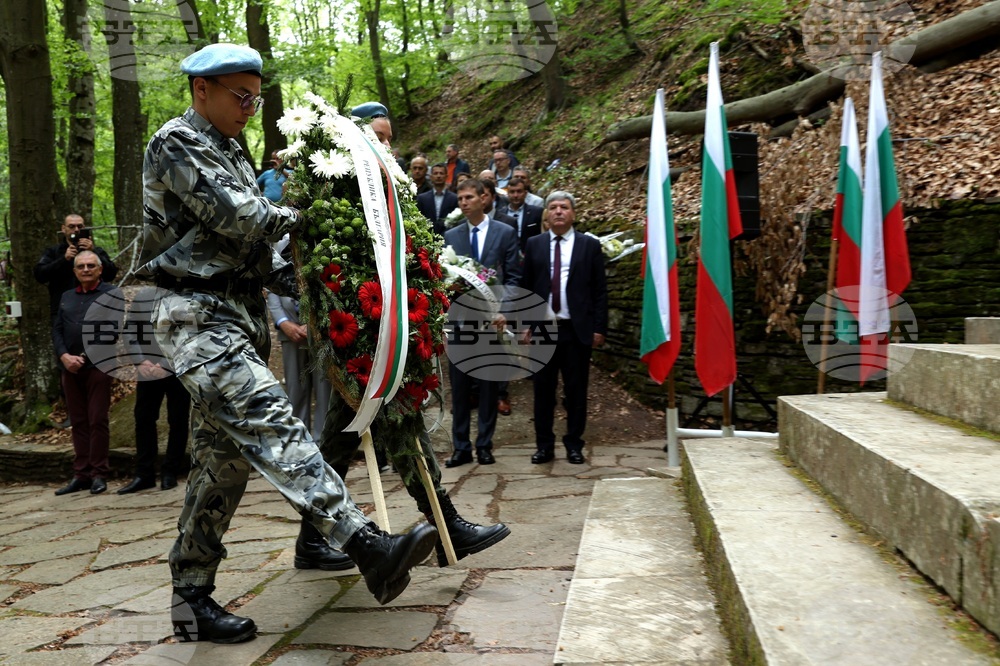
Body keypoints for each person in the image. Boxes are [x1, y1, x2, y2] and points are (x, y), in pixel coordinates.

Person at [137, 43, 437, 644]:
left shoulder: (231, 149)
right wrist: (315, 212)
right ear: (202, 90)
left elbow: (255, 253)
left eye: (256, 98)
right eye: (240, 96)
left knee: (221, 467)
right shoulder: (177, 142)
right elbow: (242, 217)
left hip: (235, 314)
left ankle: (191, 597)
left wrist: (328, 278)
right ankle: (365, 543)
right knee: (271, 417)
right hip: (195, 317)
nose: (251, 108)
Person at [520, 192, 607, 465]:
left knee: (576, 391)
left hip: (576, 329)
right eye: (553, 207)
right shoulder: (534, 244)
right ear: (546, 213)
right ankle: (544, 446)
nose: (558, 211)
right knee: (543, 392)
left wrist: (599, 327)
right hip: (543, 329)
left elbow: (600, 291)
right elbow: (526, 287)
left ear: (573, 213)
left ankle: (574, 444)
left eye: (564, 207)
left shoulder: (589, 245)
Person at [443, 179, 521, 468]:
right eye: (460, 199)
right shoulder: (451, 235)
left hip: (492, 322)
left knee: (489, 386)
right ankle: (461, 447)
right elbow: (443, 278)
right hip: (461, 323)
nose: (463, 202)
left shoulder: (505, 232)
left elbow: (514, 277)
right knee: (460, 388)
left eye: (469, 197)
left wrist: (505, 311)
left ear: (483, 199)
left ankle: (485, 445)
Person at [52, 251, 119, 496]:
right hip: (69, 368)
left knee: (97, 419)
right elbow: (57, 329)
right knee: (78, 421)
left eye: (91, 265)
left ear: (100, 270)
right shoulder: (67, 296)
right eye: (81, 266)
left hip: (98, 366)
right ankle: (81, 474)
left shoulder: (112, 294)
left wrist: (83, 357)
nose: (86, 269)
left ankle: (99, 473)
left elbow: (112, 331)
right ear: (75, 271)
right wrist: (64, 356)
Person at [119, 286, 192, 494]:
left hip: (177, 369)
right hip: (147, 369)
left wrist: (165, 364)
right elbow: (130, 330)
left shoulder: (186, 296)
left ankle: (170, 472)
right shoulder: (143, 296)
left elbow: (189, 335)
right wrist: (140, 361)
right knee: (143, 418)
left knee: (177, 419)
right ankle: (144, 474)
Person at [34, 214, 118, 318]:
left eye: (80, 226)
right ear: (63, 229)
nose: (76, 230)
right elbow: (40, 275)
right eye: (71, 226)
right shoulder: (53, 252)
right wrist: (64, 259)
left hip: (95, 306)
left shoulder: (97, 251)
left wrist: (93, 252)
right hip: (63, 308)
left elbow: (111, 274)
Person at [500, 177, 543, 252]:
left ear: (525, 193)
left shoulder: (537, 212)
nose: (515, 195)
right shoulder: (500, 214)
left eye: (519, 191)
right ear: (507, 194)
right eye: (512, 192)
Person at [416, 163, 458, 236]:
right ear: (431, 176)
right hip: (427, 237)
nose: (438, 176)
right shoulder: (422, 198)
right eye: (435, 173)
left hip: (448, 236)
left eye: (441, 173)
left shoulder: (454, 198)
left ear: (446, 176)